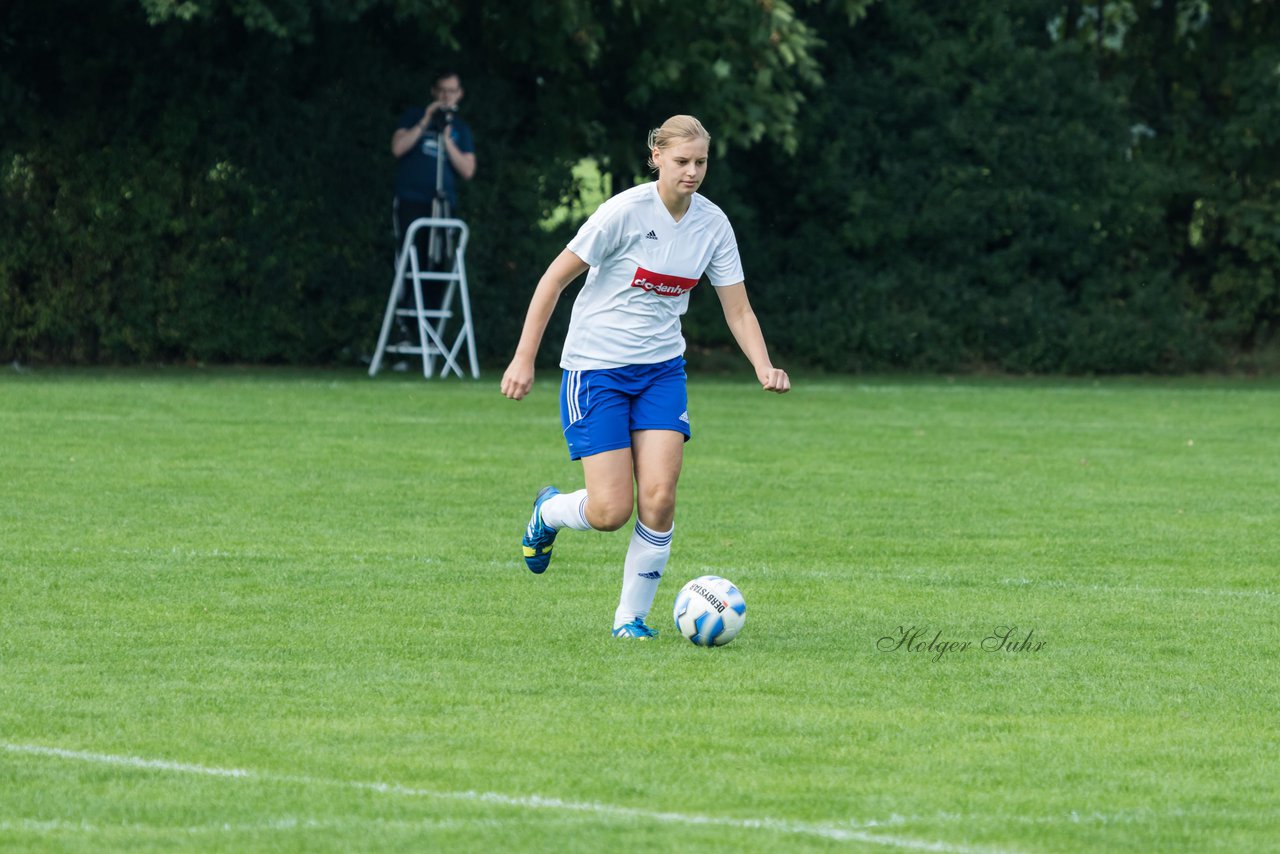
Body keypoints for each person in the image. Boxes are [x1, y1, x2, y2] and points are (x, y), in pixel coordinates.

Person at [500, 115, 790, 640]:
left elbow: (739, 310)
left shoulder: (712, 225)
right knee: (610, 510)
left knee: (659, 496)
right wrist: (524, 359)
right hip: (595, 370)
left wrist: (763, 364)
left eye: (701, 162)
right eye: (682, 161)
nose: (693, 172)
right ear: (655, 156)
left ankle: (629, 621)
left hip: (660, 371)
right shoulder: (623, 213)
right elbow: (552, 281)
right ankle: (549, 511)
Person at [390, 71, 477, 322]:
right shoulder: (415, 117)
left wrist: (447, 140)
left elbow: (468, 170)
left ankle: (430, 328)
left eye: (452, 91)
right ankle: (405, 326)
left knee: (440, 263)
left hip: (442, 205)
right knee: (410, 260)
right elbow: (398, 148)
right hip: (412, 200)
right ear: (434, 91)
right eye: (442, 90)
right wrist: (427, 119)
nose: (446, 96)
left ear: (459, 94)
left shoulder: (460, 129)